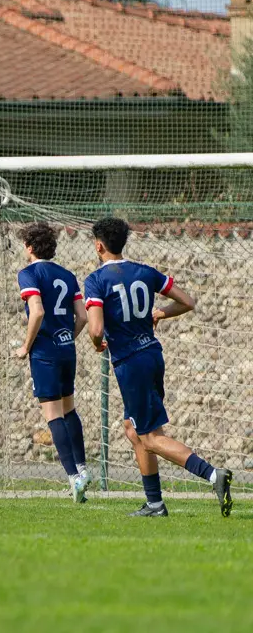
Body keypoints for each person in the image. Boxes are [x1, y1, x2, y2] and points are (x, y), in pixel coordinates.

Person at [84, 217, 233, 517]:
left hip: (131, 364)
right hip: (153, 356)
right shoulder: (145, 271)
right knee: (134, 429)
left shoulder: (96, 281)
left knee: (150, 437)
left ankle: (214, 476)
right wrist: (159, 314)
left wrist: (95, 342)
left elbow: (96, 329)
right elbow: (188, 302)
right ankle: (154, 503)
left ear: (99, 245)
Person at [13, 223, 91, 502]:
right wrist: (68, 337)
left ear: (30, 248)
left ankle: (74, 477)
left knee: (53, 414)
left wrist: (26, 346)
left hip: (45, 352)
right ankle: (83, 468)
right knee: (69, 408)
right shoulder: (67, 276)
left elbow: (37, 311)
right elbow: (82, 317)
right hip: (67, 349)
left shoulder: (29, 274)